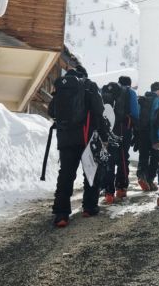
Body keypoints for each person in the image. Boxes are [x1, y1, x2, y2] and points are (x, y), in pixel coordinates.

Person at [48, 65, 110, 228]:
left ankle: (61, 213)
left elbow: (51, 111)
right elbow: (99, 111)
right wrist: (104, 137)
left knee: (66, 174)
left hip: (65, 138)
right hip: (86, 137)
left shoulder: (61, 88)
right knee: (91, 171)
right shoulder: (89, 86)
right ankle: (89, 207)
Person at [103, 75, 139, 203]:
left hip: (109, 129)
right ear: (129, 84)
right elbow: (135, 113)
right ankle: (121, 188)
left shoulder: (109, 91)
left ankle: (108, 192)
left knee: (110, 159)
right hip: (124, 129)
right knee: (123, 158)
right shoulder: (130, 92)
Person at [135, 81, 159, 192]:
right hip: (153, 133)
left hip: (142, 132)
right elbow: (154, 119)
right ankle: (150, 180)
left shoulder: (142, 99)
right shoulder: (157, 100)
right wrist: (156, 138)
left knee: (143, 156)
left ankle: (142, 176)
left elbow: (137, 116)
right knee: (155, 157)